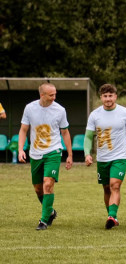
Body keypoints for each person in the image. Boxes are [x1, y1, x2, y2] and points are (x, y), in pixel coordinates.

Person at [84, 84, 126, 229]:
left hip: (120, 156)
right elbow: (88, 137)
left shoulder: (125, 112)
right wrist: (87, 154)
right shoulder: (95, 115)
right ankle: (111, 215)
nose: (108, 99)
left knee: (114, 185)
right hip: (102, 158)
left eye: (111, 96)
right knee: (106, 188)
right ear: (101, 98)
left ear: (115, 96)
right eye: (105, 96)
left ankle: (112, 216)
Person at [18, 83, 73, 230]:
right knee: (38, 189)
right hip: (35, 153)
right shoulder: (30, 108)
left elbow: (65, 133)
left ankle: (43, 221)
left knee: (48, 183)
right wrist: (20, 149)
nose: (54, 97)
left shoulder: (60, 110)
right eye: (51, 95)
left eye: (55, 94)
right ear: (42, 95)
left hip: (53, 151)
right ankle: (50, 211)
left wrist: (70, 154)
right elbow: (23, 130)